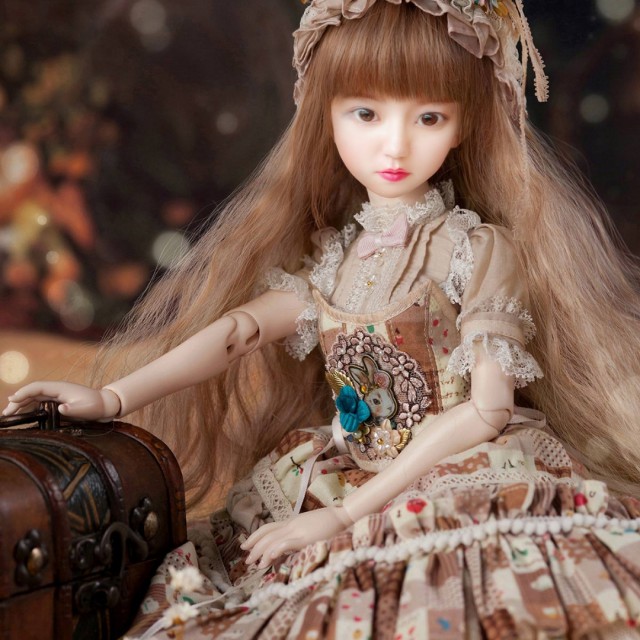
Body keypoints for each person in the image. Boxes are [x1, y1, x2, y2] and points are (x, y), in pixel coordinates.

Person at [5, 1, 640, 637]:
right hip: (350, 474)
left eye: (429, 117)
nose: (395, 145)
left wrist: (344, 516)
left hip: (458, 474)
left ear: (462, 125)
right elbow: (238, 333)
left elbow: (486, 411)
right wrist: (113, 396)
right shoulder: (334, 260)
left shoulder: (473, 249)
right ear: (325, 114)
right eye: (365, 114)